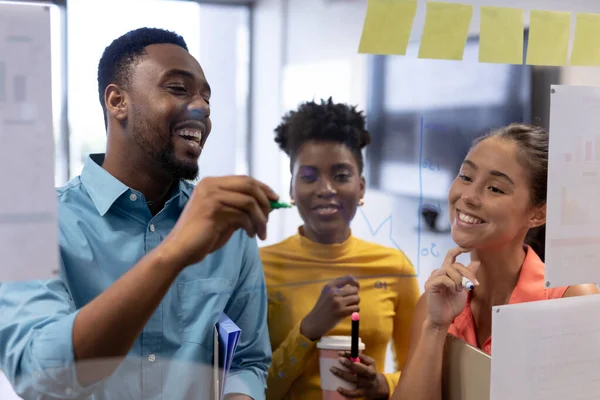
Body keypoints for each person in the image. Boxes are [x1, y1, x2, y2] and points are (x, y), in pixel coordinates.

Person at [0, 27, 277, 400]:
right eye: (179, 89)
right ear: (117, 102)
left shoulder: (228, 228)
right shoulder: (36, 226)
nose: (203, 108)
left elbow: (248, 361)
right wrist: (172, 254)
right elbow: (38, 374)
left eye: (206, 97)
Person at [392, 123, 599, 400]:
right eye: (465, 176)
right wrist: (436, 327)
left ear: (538, 214)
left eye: (495, 189)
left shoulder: (570, 299)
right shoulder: (434, 304)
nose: (467, 196)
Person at [260, 98, 420, 400]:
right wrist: (308, 331)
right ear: (292, 189)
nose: (326, 189)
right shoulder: (259, 267)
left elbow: (421, 370)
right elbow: (251, 389)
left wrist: (384, 385)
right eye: (309, 177)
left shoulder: (393, 266)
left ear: (361, 187)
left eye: (341, 175)